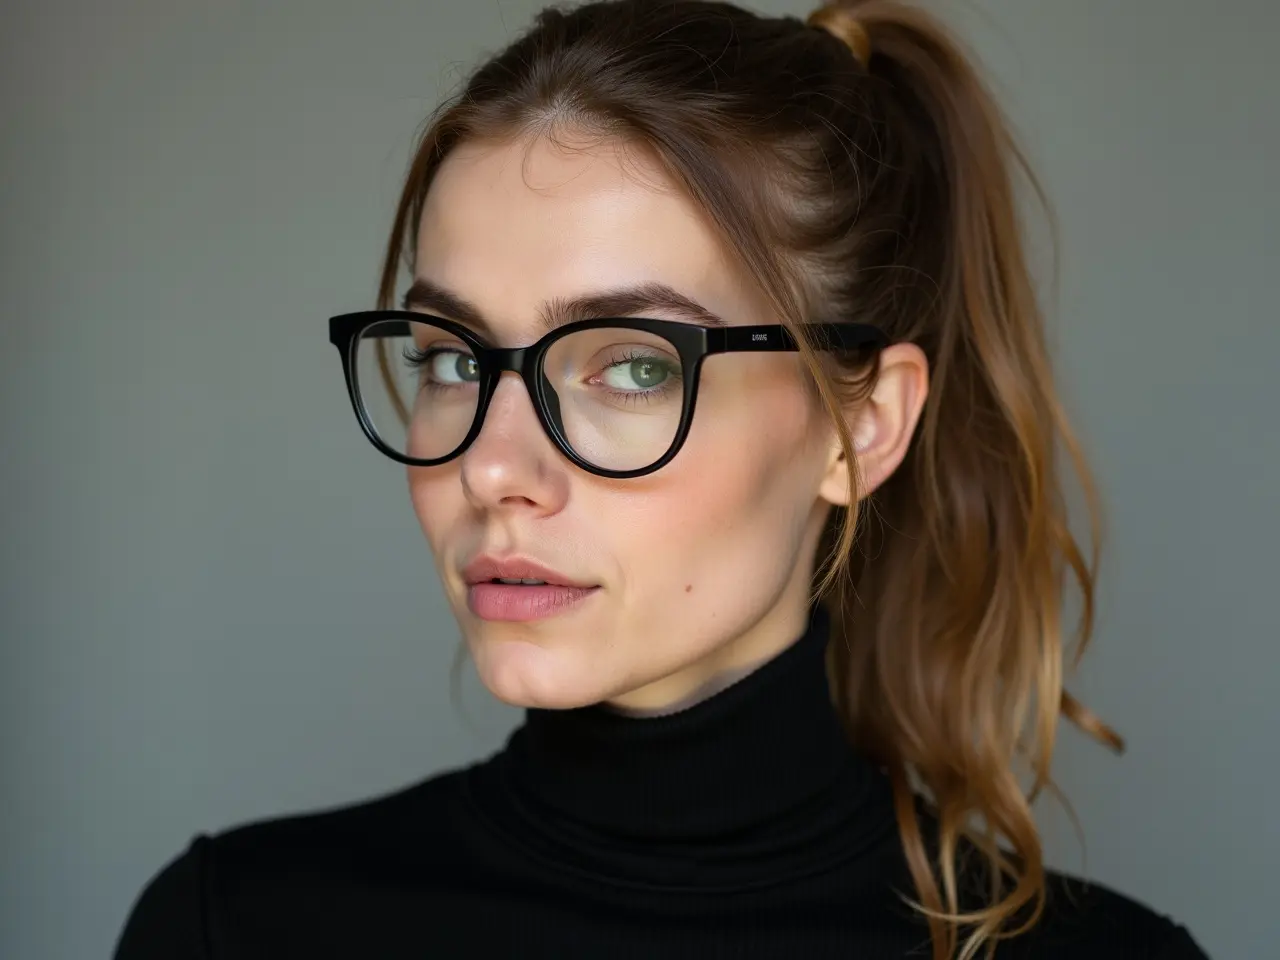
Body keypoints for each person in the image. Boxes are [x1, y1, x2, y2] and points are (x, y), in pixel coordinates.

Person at [113, 1, 1210, 957]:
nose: (491, 465)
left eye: (631, 366)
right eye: (452, 359)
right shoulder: (236, 928)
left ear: (859, 430)